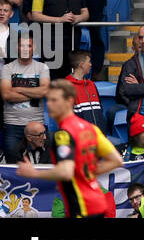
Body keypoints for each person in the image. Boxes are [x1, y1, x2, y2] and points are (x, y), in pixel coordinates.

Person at [14, 79, 121, 218]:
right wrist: (84, 173)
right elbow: (116, 160)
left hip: (82, 206)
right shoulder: (90, 128)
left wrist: (34, 173)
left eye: (54, 100)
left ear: (70, 101)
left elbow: (65, 172)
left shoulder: (64, 133)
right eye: (48, 100)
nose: (50, 105)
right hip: (97, 202)